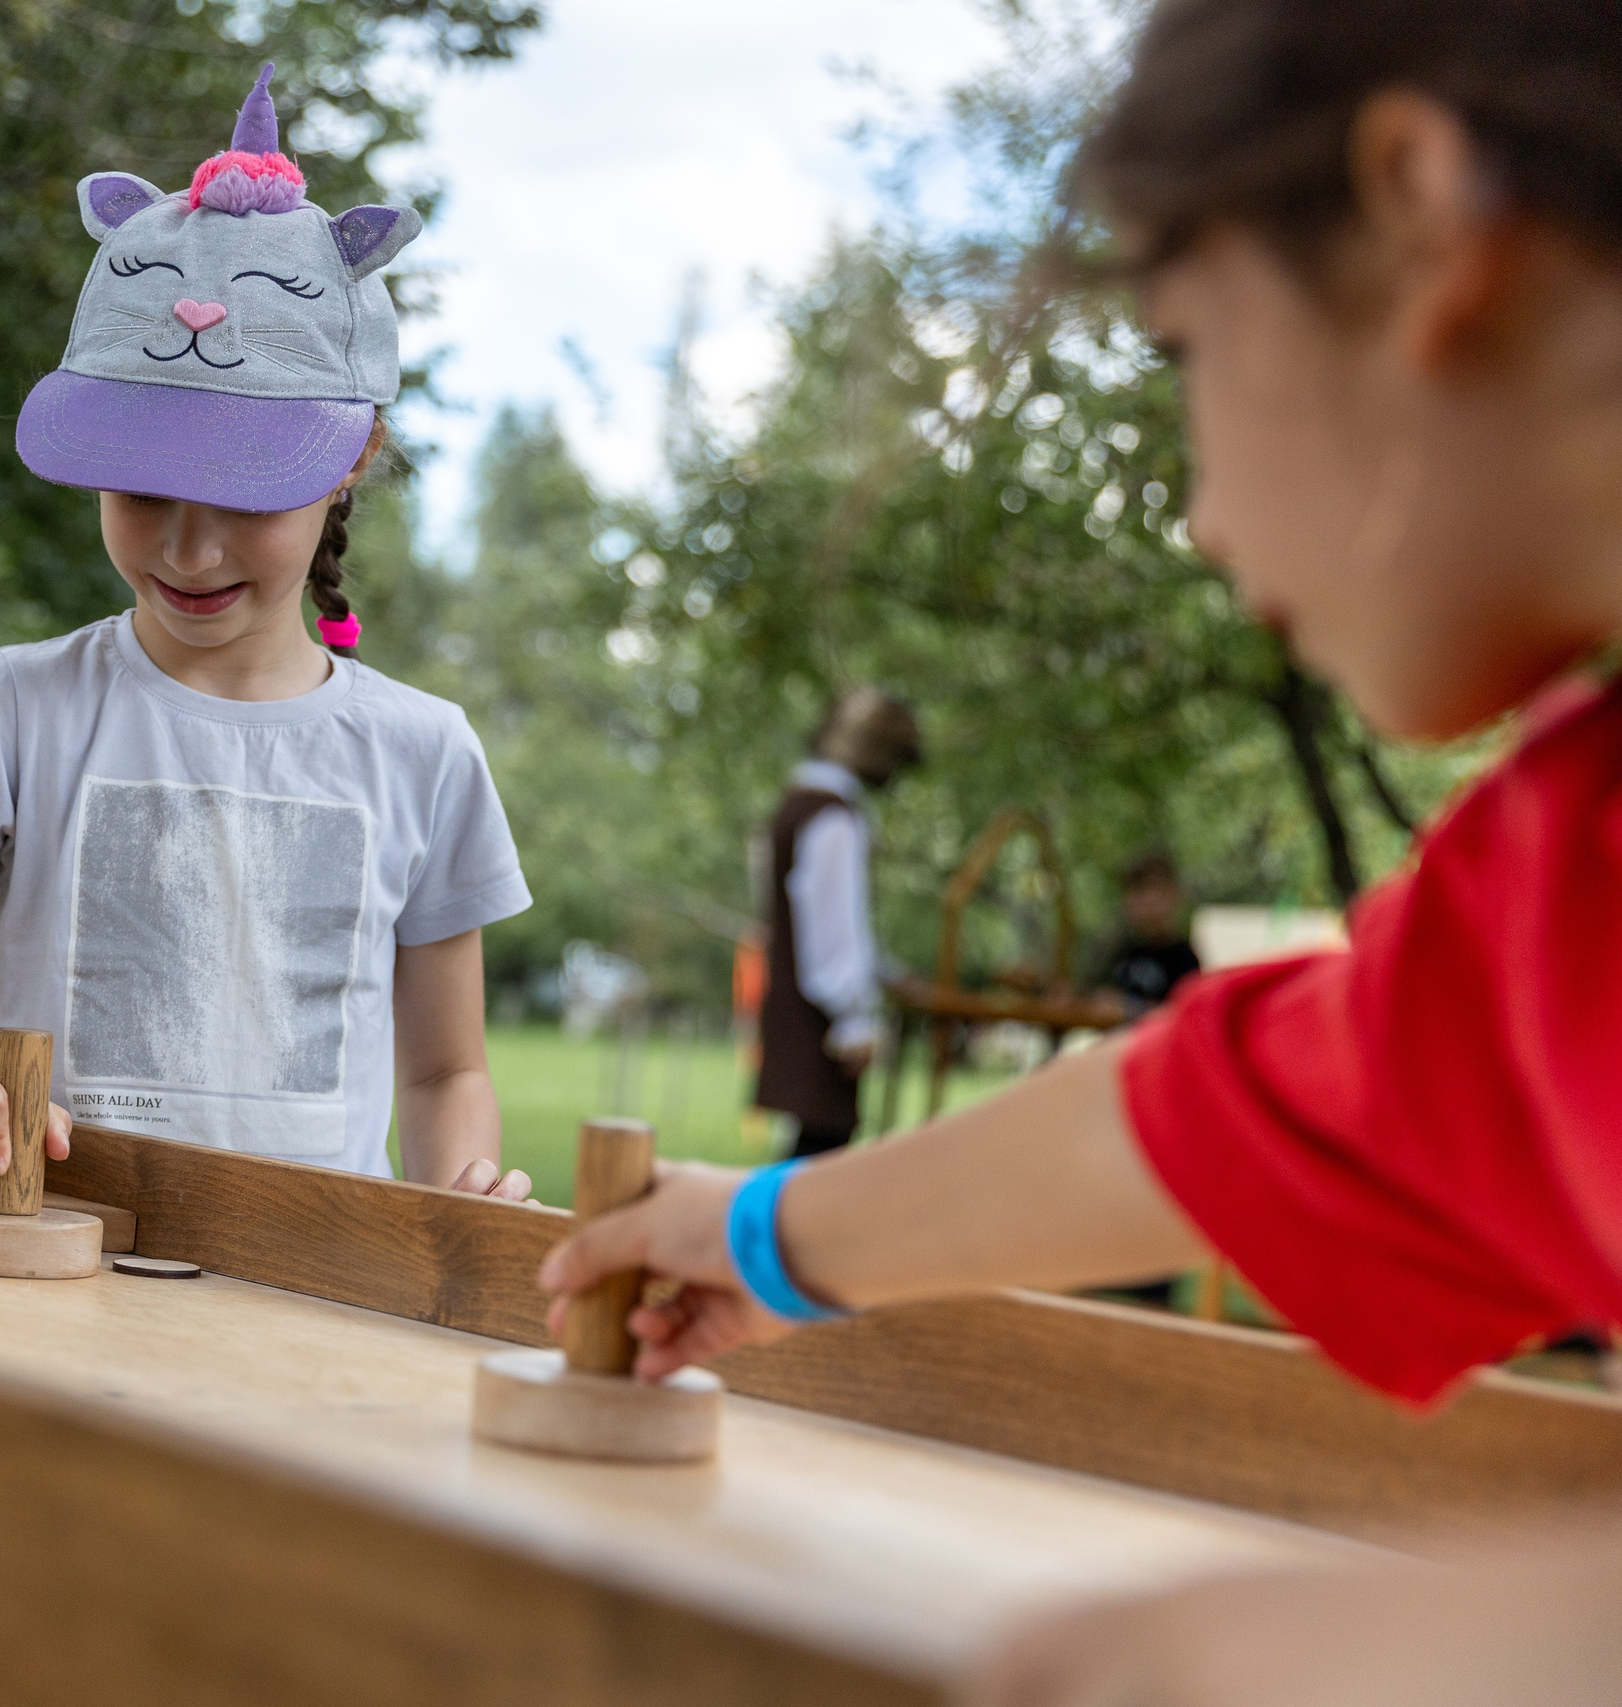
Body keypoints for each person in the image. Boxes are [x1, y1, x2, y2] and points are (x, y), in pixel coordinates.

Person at [540, 2, 1622, 1701]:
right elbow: (1227, 1118)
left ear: (1416, 209)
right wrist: (760, 1237)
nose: (1198, 513)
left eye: (1186, 351)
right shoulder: (1573, 866)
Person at [0, 66, 534, 1202]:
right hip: (57, 1289)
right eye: (139, 491)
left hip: (311, 1317)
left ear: (352, 457)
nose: (187, 548)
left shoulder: (424, 755)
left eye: (244, 493)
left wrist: (459, 1207)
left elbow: (443, 1071)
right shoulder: (18, 712)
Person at [753, 689, 920, 1157]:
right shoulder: (831, 815)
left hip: (802, 1005)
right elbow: (831, 926)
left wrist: (885, 972)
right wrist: (854, 1020)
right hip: (822, 1021)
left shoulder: (796, 806)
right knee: (815, 1159)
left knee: (809, 1154)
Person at [1097, 849, 1201, 1019]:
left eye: (1155, 891)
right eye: (1138, 893)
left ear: (1173, 896)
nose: (1147, 901)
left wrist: (1127, 1007)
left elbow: (1183, 1015)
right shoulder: (1124, 953)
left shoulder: (1184, 959)